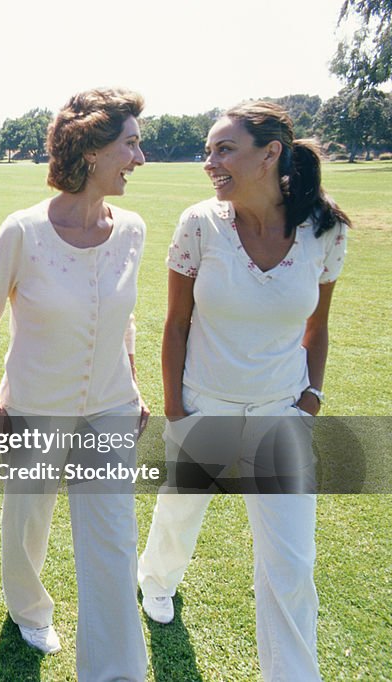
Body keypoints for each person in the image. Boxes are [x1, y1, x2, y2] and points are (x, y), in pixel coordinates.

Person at [137, 101, 348, 681]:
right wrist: (177, 411)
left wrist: (311, 401)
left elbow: (318, 327)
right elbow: (176, 323)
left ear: (270, 154)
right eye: (209, 150)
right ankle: (155, 582)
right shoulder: (199, 224)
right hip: (205, 405)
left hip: (282, 414)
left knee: (291, 565)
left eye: (224, 149)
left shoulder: (323, 232)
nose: (210, 162)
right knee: (179, 517)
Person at [0, 88, 150, 681]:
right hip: (34, 408)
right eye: (130, 143)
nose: (139, 158)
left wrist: (135, 386)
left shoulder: (134, 230)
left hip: (110, 412)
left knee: (115, 549)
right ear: (92, 151)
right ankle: (28, 608)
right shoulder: (22, 231)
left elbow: (124, 320)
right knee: (27, 526)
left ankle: (115, 672)